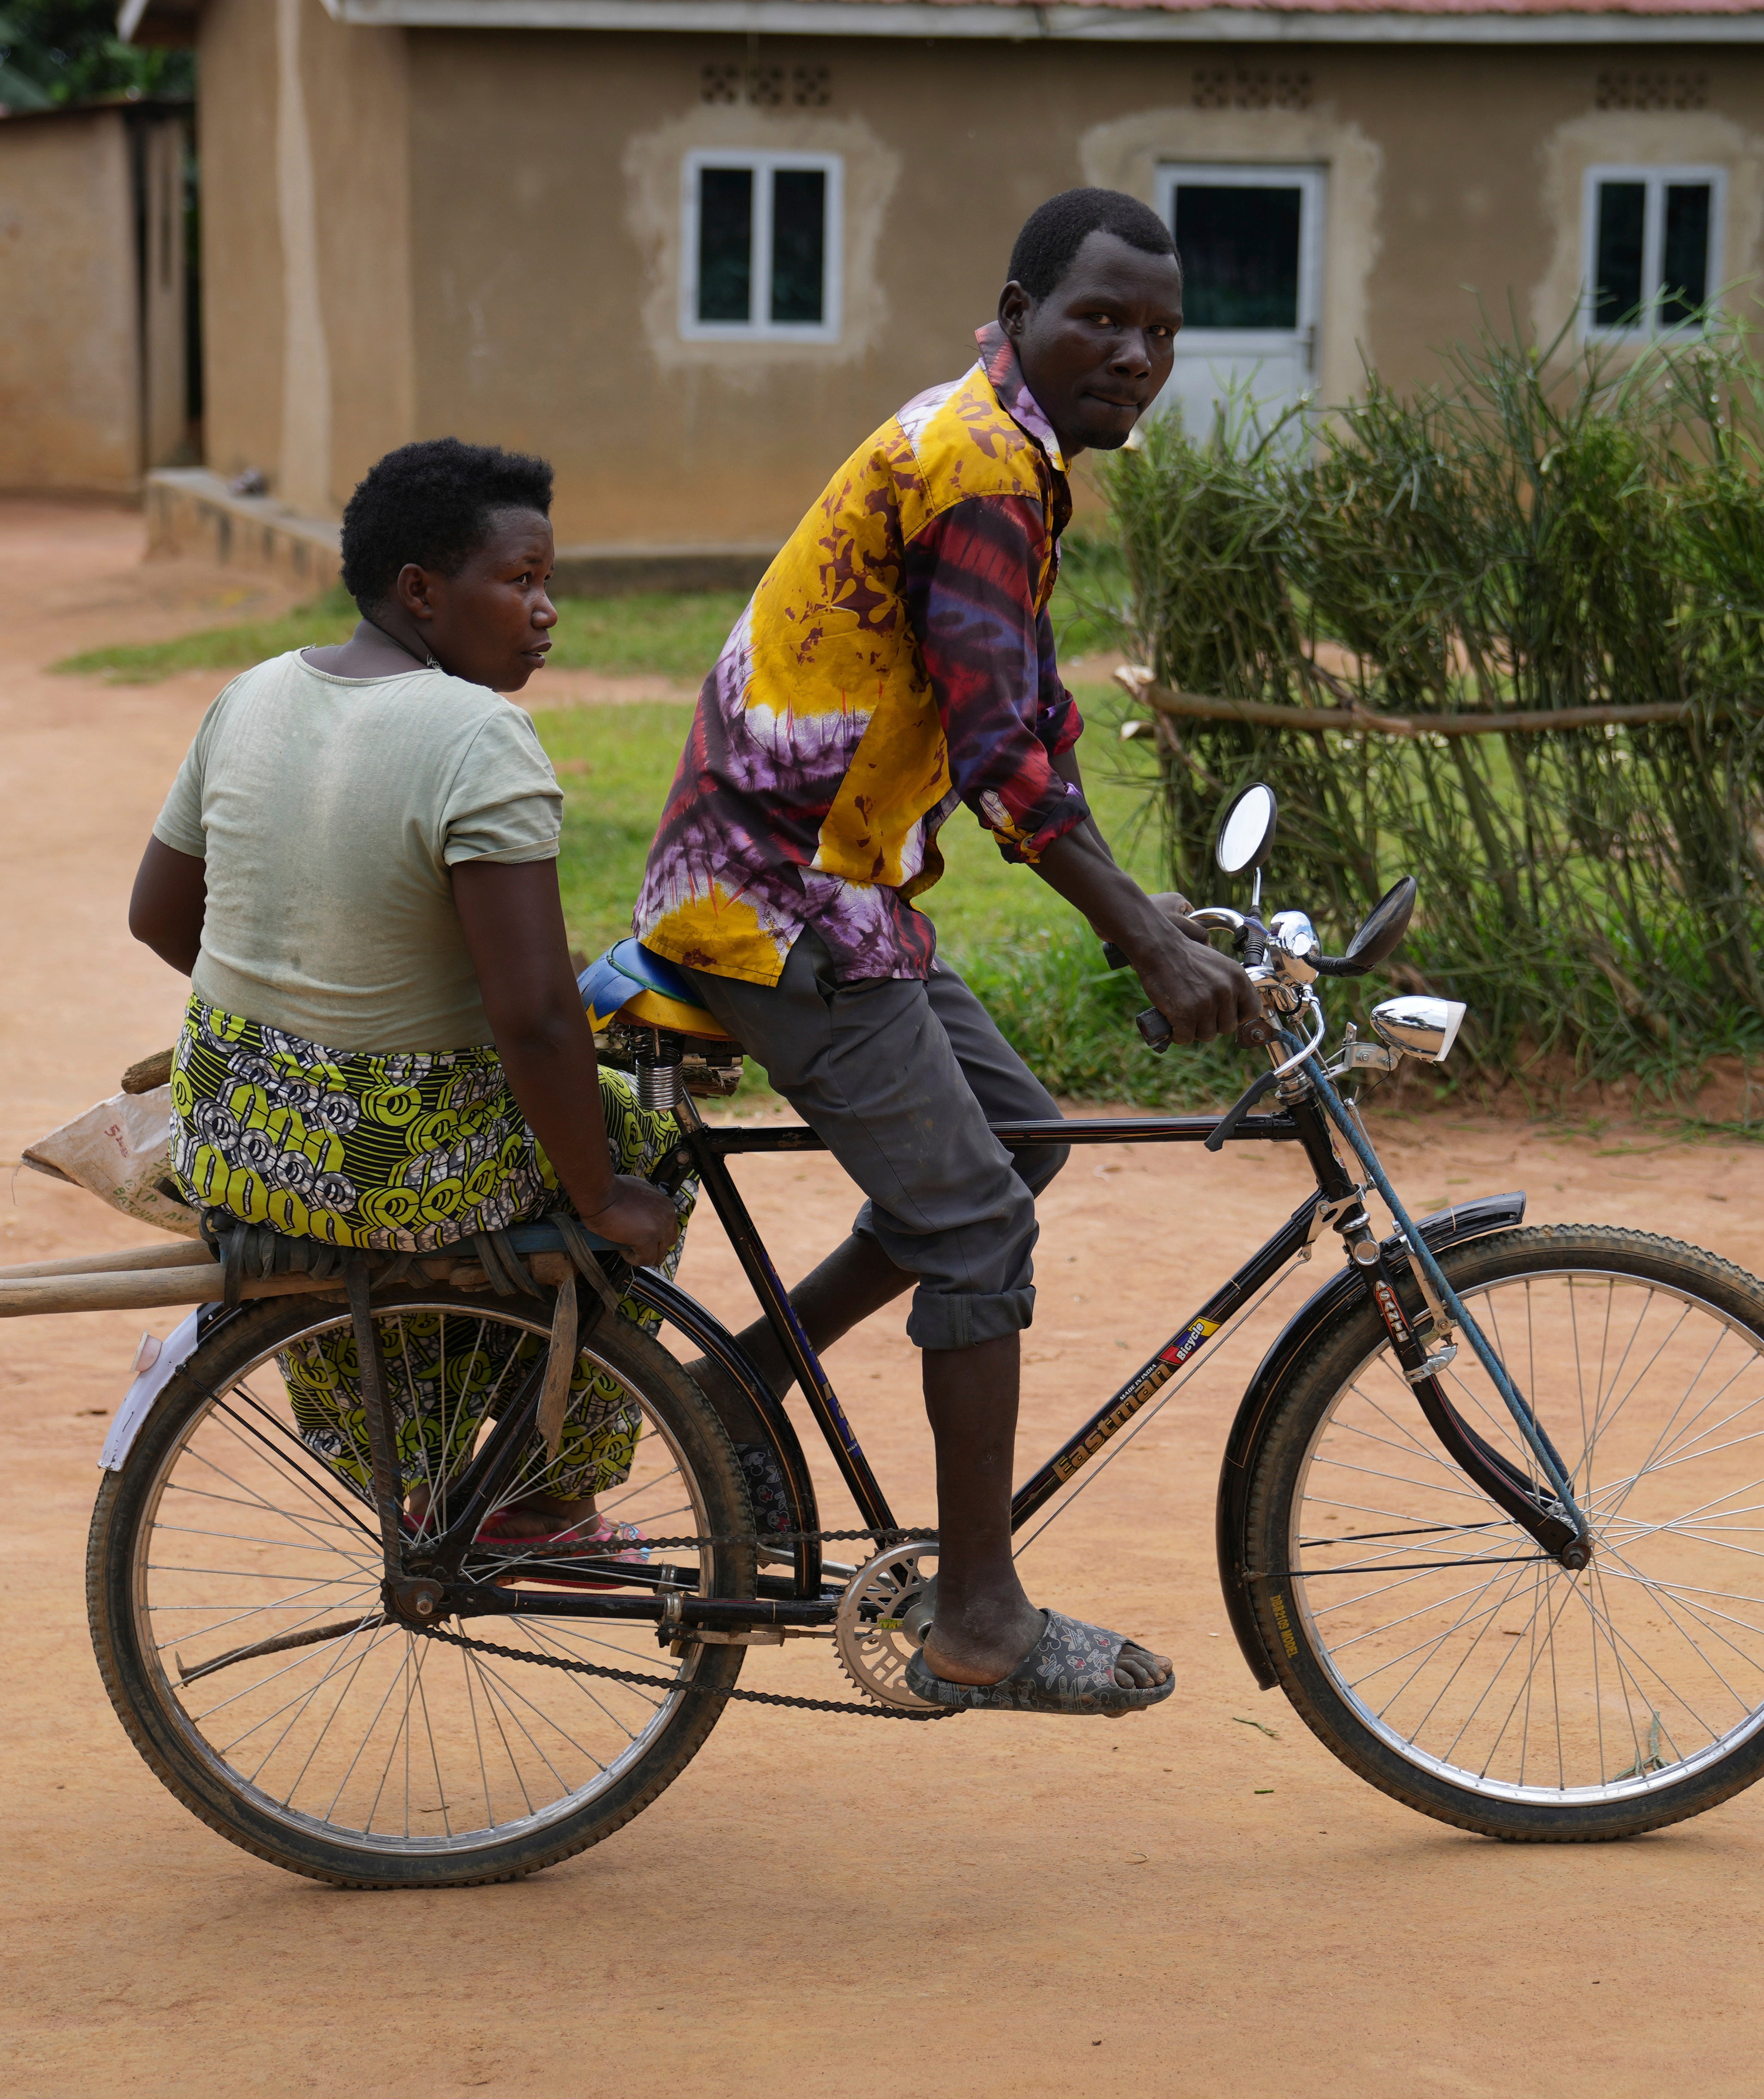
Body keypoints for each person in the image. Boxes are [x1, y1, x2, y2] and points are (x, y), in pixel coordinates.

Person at [632, 188, 1261, 1715]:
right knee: (976, 1224)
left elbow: (1030, 709)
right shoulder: (979, 462)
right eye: (1100, 319)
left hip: (833, 887)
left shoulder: (1008, 449)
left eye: (1161, 332)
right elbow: (997, 760)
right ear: (1020, 311)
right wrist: (1142, 947)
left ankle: (736, 1392)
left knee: (1018, 1143)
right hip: (775, 900)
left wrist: (1146, 909)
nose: (1134, 355)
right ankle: (978, 1613)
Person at [126, 438, 684, 1550]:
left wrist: (308, 1021)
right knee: (645, 1149)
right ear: (422, 591)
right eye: (520, 580)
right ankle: (545, 1498)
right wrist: (604, 1197)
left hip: (234, 1140)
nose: (547, 611)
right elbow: (534, 1018)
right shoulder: (479, 736)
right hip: (394, 1167)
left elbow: (157, 916)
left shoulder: (250, 694)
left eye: (548, 582)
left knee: (466, 1151)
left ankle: (412, 1462)